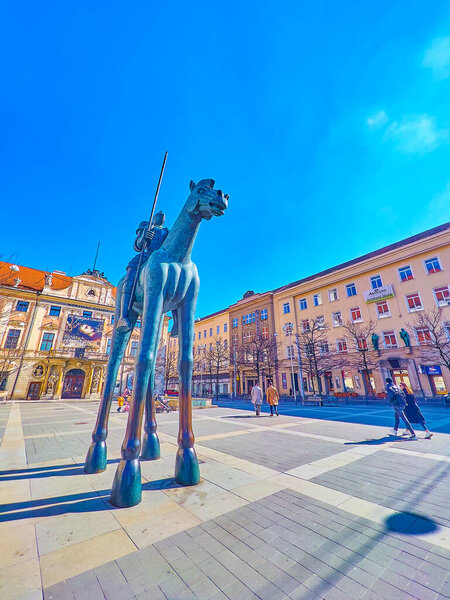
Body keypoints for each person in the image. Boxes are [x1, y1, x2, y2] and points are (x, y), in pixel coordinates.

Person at [116, 212, 169, 332]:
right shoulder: (147, 227)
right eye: (159, 215)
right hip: (146, 256)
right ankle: (123, 316)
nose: (162, 216)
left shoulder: (167, 231)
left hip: (161, 260)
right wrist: (143, 237)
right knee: (131, 275)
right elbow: (137, 246)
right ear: (154, 218)